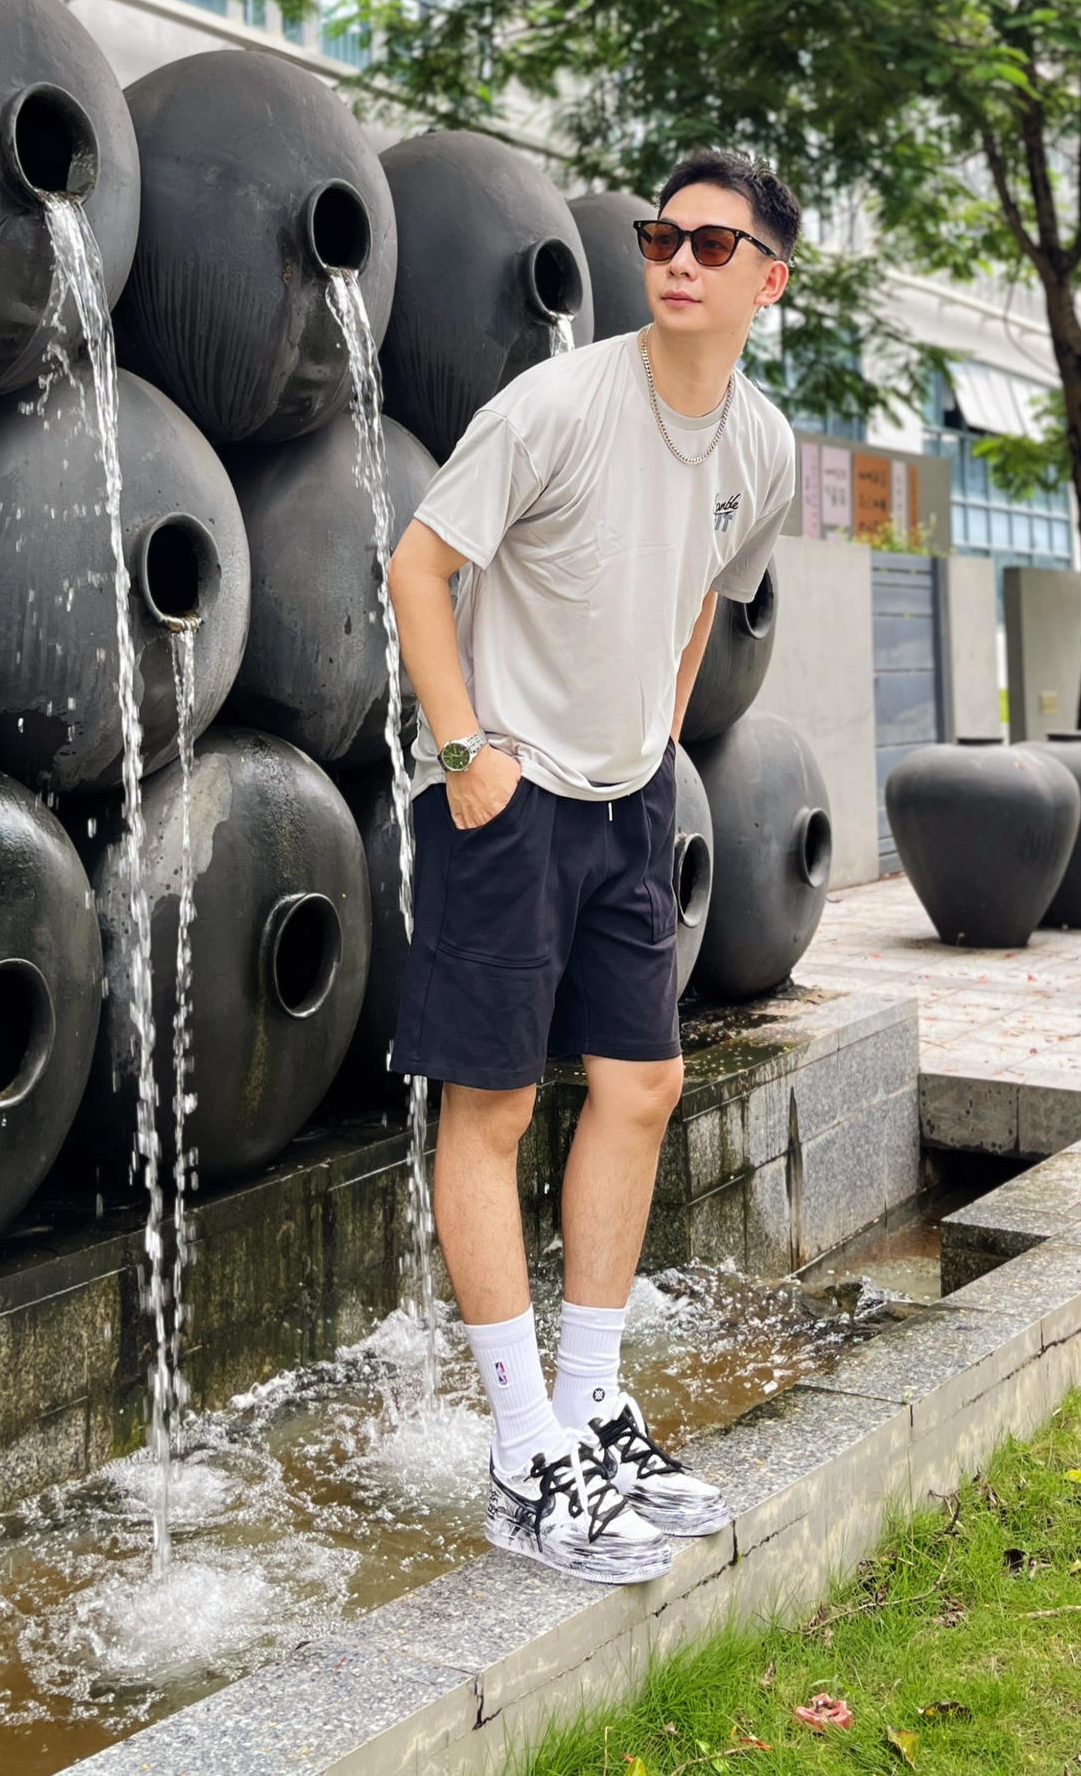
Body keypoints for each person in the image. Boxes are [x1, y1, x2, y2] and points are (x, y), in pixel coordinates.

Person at [386, 147, 801, 1587]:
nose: (677, 260)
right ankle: (522, 1454)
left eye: (711, 244)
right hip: (502, 796)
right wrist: (464, 755)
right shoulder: (555, 406)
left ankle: (591, 1413)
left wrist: (659, 747)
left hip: (627, 800)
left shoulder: (761, 447)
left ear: (768, 281)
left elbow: (699, 603)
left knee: (643, 1085)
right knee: (492, 1104)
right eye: (660, 237)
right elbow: (418, 568)